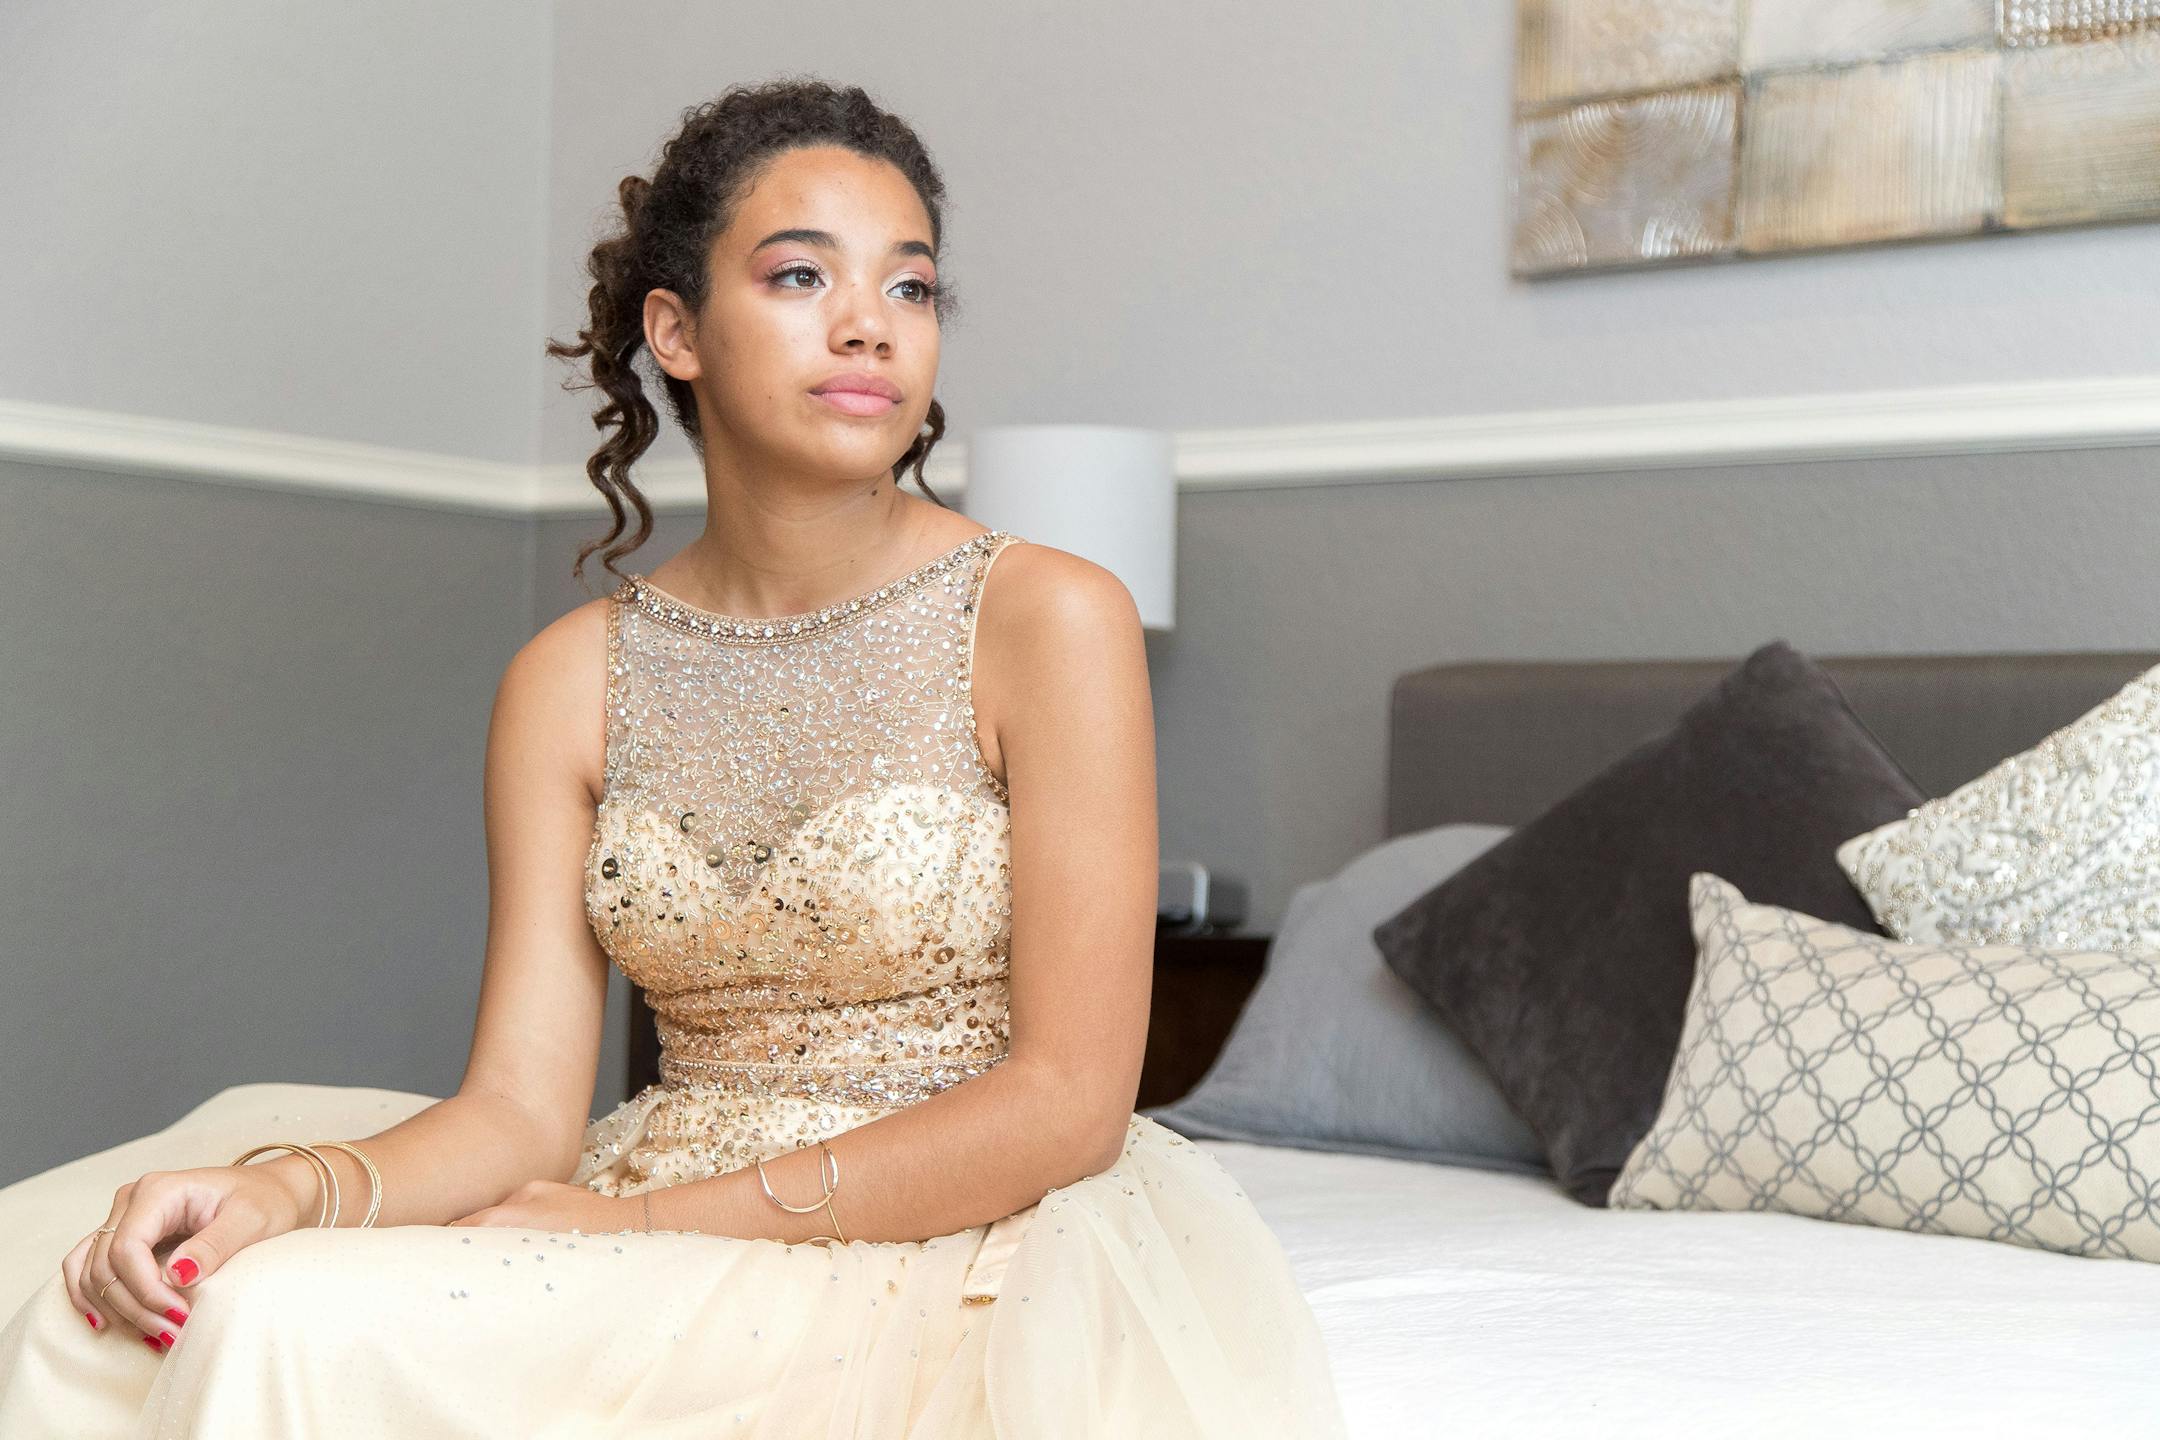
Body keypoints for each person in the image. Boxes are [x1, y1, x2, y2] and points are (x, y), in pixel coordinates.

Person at [0, 77, 1348, 1437]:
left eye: (914, 287)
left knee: (288, 1325)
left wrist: (640, 1226)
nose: (869, 323)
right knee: (98, 1302)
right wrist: (289, 1187)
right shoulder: (567, 681)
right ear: (676, 330)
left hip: (954, 1234)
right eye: (801, 274)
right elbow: (522, 1108)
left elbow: (1067, 1106)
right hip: (631, 1189)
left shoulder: (1048, 615)